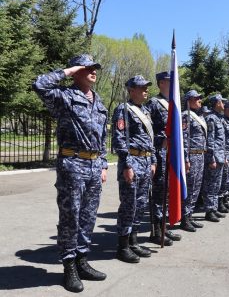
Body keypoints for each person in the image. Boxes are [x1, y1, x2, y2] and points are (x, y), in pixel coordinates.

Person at [32, 54, 108, 293]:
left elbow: (102, 138)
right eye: (88, 68)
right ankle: (69, 267)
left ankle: (82, 261)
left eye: (95, 68)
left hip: (94, 167)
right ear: (77, 72)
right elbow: (39, 84)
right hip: (72, 164)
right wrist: (68, 70)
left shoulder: (99, 101)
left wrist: (103, 163)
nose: (94, 72)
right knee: (71, 218)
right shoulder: (65, 97)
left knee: (88, 217)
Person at [112, 75, 155, 263]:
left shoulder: (145, 110)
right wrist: (127, 165)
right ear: (131, 90)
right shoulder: (124, 109)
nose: (146, 90)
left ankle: (134, 241)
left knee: (141, 203)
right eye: (141, 87)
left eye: (146, 87)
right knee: (129, 205)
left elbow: (150, 139)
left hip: (145, 161)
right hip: (132, 160)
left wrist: (152, 160)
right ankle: (123, 246)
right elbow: (119, 139)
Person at [145, 71, 181, 246]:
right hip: (160, 152)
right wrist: (161, 142)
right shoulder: (153, 103)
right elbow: (148, 133)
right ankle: (156, 231)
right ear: (160, 83)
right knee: (159, 193)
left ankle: (164, 228)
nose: (172, 84)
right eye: (168, 81)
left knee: (168, 191)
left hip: (172, 154)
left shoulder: (173, 104)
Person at [180, 90, 207, 232]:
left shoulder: (198, 116)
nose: (200, 100)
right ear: (189, 100)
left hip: (200, 155)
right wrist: (186, 159)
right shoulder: (186, 116)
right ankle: (184, 218)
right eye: (197, 98)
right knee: (190, 187)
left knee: (196, 187)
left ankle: (189, 216)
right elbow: (184, 139)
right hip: (191, 156)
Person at [203, 94, 227, 222]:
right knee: (211, 185)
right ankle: (209, 211)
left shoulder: (219, 118)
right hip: (214, 157)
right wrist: (211, 159)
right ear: (217, 103)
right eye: (222, 102)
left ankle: (214, 208)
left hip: (220, 157)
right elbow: (210, 141)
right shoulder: (211, 119)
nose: (224, 104)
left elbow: (221, 141)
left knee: (217, 185)